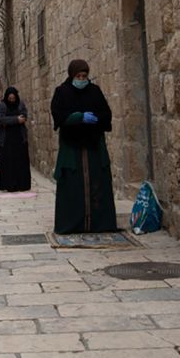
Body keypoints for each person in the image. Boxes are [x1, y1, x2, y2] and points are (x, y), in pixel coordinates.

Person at [50, 60, 118, 234]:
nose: (81, 79)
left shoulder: (94, 91)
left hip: (94, 145)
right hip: (71, 147)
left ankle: (100, 223)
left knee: (98, 183)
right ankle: (72, 223)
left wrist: (95, 118)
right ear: (71, 75)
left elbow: (106, 114)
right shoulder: (62, 92)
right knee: (73, 186)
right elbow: (58, 116)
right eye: (78, 76)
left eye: (84, 76)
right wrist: (78, 117)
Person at [0, 87, 32, 192]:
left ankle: (22, 184)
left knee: (21, 161)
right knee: (8, 162)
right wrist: (16, 119)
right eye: (10, 98)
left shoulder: (21, 104)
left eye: (13, 98)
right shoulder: (2, 105)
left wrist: (11, 120)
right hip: (7, 139)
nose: (12, 100)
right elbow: (2, 120)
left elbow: (24, 116)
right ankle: (8, 185)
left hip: (19, 138)